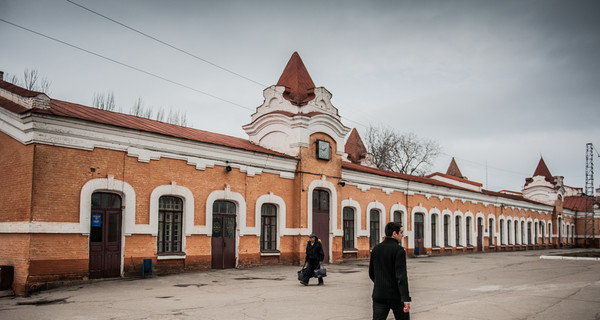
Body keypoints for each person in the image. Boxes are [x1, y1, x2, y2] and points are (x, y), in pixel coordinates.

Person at [369, 222, 411, 320]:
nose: (403, 235)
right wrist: (406, 299)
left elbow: (371, 273)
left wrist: (380, 284)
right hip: (396, 296)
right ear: (394, 234)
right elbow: (401, 277)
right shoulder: (399, 250)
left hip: (379, 295)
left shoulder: (376, 249)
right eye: (401, 232)